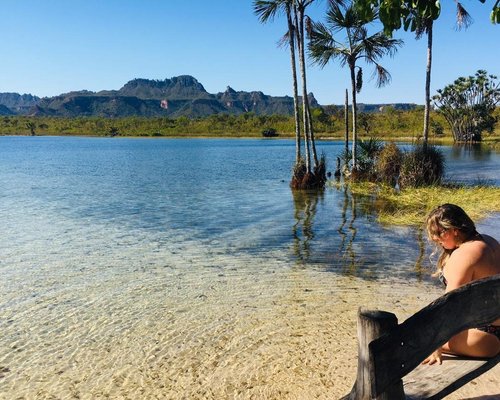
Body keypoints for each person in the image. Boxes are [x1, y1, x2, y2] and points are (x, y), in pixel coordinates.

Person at [422, 203, 500, 365]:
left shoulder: (463, 256)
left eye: (438, 233)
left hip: (482, 338)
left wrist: (435, 345)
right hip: (493, 329)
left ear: (453, 230)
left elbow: (448, 307)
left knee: (418, 338)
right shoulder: (491, 241)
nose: (435, 239)